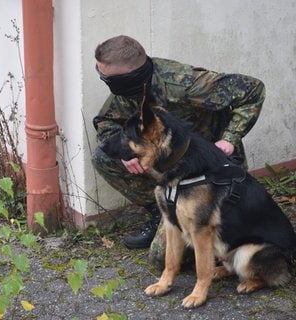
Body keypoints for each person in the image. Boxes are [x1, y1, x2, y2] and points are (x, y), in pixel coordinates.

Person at [92, 35, 265, 266]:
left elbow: (253, 89)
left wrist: (230, 138)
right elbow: (106, 121)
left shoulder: (184, 84)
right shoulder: (129, 90)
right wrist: (126, 155)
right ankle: (159, 211)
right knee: (104, 156)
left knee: (160, 258)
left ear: (128, 74)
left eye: (106, 76)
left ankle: (219, 238)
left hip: (209, 172)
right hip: (173, 170)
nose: (104, 80)